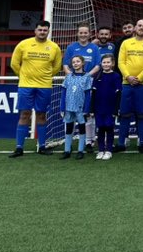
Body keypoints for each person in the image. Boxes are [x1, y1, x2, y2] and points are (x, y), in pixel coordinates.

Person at [8, 20, 62, 157]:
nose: (42, 32)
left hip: (44, 86)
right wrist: (24, 76)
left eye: (45, 30)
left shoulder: (54, 47)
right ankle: (19, 147)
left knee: (41, 115)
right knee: (24, 114)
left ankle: (42, 146)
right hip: (26, 85)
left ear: (48, 31)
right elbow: (14, 64)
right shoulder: (23, 44)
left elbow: (56, 67)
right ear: (35, 30)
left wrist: (46, 76)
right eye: (40, 30)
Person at [115, 19, 143, 153]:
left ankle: (142, 142)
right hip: (127, 84)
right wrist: (128, 76)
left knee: (142, 114)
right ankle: (122, 142)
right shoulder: (126, 43)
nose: (141, 28)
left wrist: (139, 78)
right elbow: (121, 62)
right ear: (135, 27)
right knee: (125, 114)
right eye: (139, 25)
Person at [63, 24, 102, 152]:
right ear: (77, 33)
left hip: (89, 80)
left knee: (88, 114)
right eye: (81, 32)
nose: (83, 35)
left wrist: (86, 76)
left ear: (89, 34)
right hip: (74, 81)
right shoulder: (71, 47)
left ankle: (89, 141)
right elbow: (65, 65)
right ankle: (69, 146)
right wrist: (74, 77)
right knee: (71, 114)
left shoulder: (94, 48)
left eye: (86, 32)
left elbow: (98, 65)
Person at [59, 55, 93, 159]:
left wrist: (87, 109)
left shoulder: (87, 76)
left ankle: (80, 150)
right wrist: (62, 107)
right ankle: (67, 150)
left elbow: (88, 94)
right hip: (69, 107)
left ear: (83, 63)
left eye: (78, 61)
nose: (75, 63)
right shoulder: (69, 76)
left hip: (80, 108)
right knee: (69, 129)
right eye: (73, 62)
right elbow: (63, 92)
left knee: (82, 129)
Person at [92, 53, 121, 160]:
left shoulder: (116, 76)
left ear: (112, 63)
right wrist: (91, 108)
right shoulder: (97, 76)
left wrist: (116, 109)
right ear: (101, 63)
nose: (106, 64)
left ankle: (108, 150)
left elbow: (118, 93)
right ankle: (100, 150)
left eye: (108, 62)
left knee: (109, 128)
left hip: (110, 107)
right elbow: (93, 94)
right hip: (99, 107)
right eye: (104, 62)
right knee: (100, 129)